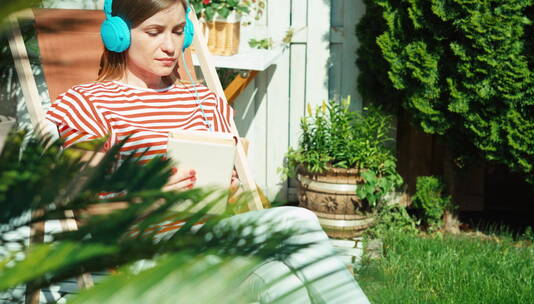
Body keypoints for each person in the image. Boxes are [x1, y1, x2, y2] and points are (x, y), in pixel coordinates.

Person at [45, 0, 371, 303]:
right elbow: (82, 213)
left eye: (177, 31)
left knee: (283, 277)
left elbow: (237, 197)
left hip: (214, 242)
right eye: (154, 32)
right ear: (118, 35)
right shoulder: (87, 105)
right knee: (296, 219)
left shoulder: (205, 102)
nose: (170, 46)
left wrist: (230, 191)